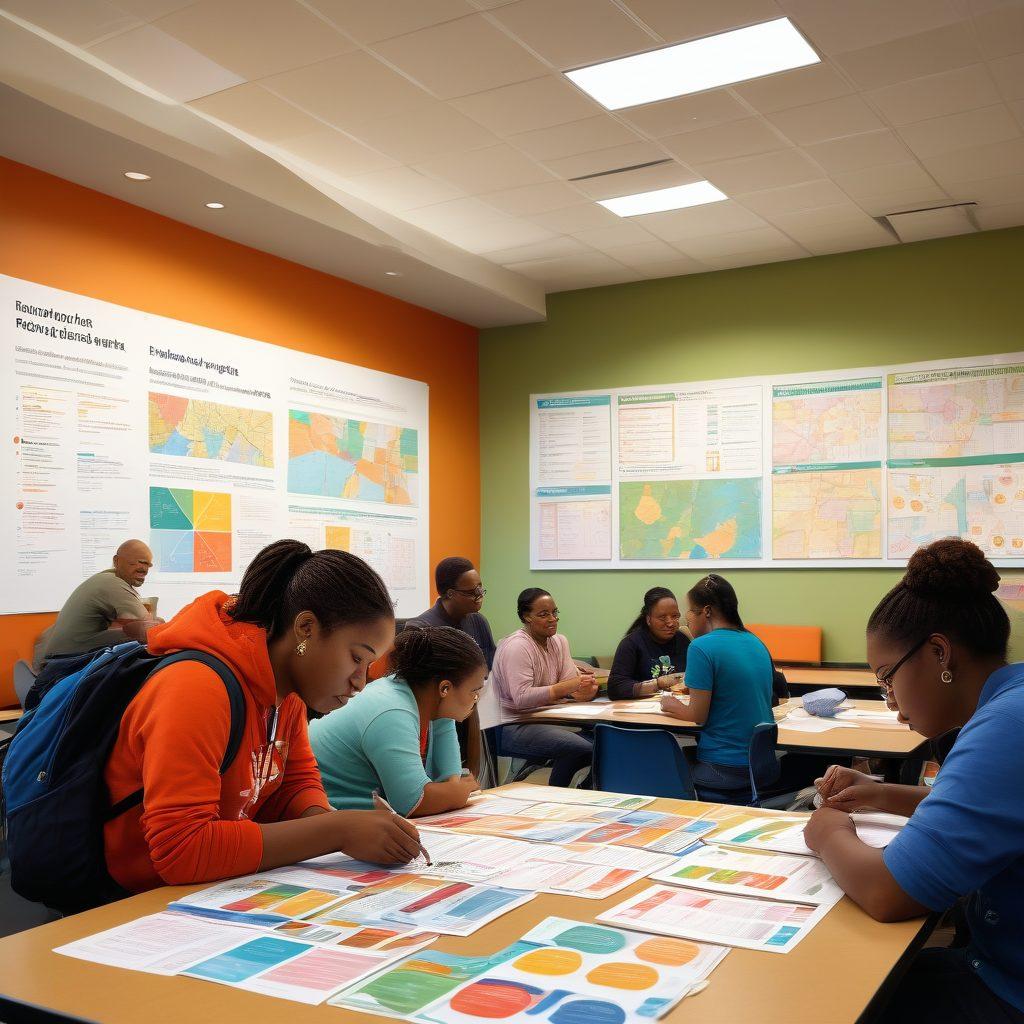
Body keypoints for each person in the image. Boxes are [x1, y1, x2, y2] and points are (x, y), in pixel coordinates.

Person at [102, 540, 422, 894]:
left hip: (218, 889)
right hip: (134, 902)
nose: (360, 682)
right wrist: (339, 830)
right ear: (306, 630)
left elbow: (295, 786)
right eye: (356, 658)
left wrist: (339, 826)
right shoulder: (195, 686)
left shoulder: (289, 695)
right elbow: (181, 849)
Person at [804, 538, 1024, 1024]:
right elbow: (995, 811)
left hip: (1007, 989)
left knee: (829, 994)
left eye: (887, 677)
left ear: (939, 653)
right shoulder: (1011, 701)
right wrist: (884, 794)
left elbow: (887, 892)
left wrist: (827, 833)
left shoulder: (1006, 727)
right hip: (996, 963)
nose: (889, 699)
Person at [310, 627, 485, 817]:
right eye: (474, 692)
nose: (476, 700)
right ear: (445, 688)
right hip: (323, 816)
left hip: (362, 819)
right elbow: (413, 801)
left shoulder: (433, 704)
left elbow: (449, 781)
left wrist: (452, 791)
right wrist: (459, 792)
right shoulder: (391, 709)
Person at [660, 574, 773, 802]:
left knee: (657, 766)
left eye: (690, 611)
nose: (687, 619)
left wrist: (670, 704)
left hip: (724, 765)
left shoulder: (701, 647)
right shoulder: (756, 642)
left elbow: (697, 715)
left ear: (707, 611)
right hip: (760, 764)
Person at [490, 588, 598, 788]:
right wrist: (568, 687)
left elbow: (571, 688)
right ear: (526, 617)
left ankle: (570, 791)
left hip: (549, 718)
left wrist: (586, 690)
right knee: (585, 748)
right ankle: (560, 792)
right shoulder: (517, 646)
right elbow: (521, 698)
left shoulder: (559, 641)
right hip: (512, 725)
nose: (552, 619)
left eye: (554, 613)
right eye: (543, 614)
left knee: (605, 741)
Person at [406, 557, 495, 776]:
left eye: (480, 589)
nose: (479, 596)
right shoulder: (420, 629)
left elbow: (490, 667)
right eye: (471, 592)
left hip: (472, 710)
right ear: (449, 593)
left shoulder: (478, 621)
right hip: (436, 721)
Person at [39, 540, 162, 663]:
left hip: (54, 657)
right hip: (65, 661)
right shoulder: (112, 583)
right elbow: (149, 629)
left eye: (148, 565)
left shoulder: (105, 578)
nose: (145, 570)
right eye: (140, 563)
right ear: (117, 561)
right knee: (142, 639)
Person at [607, 587, 690, 700]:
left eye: (675, 616)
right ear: (648, 619)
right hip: (643, 712)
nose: (670, 623)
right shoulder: (631, 644)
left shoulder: (683, 641)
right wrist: (658, 683)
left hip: (679, 707)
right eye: (662, 618)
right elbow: (615, 688)